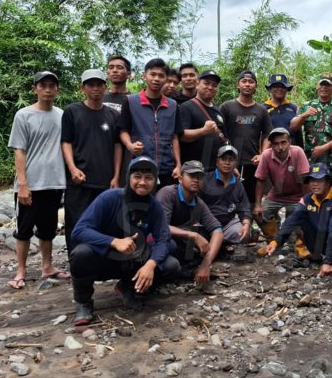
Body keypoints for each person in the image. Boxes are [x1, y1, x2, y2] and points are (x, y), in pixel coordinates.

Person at [69, 157, 177, 325]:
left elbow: (163, 238)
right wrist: (113, 241)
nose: (142, 182)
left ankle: (128, 286)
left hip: (133, 261)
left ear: (155, 181)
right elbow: (79, 231)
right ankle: (83, 303)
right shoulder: (109, 198)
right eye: (137, 176)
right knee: (81, 253)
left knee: (171, 264)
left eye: (148, 178)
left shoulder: (154, 206)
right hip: (103, 260)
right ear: (128, 178)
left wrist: (151, 264)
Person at [6, 71, 69, 290]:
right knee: (23, 229)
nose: (48, 89)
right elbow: (19, 151)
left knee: (48, 228)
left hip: (54, 182)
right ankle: (20, 271)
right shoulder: (23, 115)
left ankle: (47, 266)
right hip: (30, 183)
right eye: (43, 85)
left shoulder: (62, 115)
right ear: (35, 89)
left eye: (52, 85)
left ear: (57, 90)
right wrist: (23, 184)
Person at [61, 69, 122, 255]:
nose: (95, 88)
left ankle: (101, 262)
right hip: (79, 180)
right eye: (90, 85)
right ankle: (76, 262)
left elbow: (117, 146)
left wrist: (116, 176)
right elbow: (66, 142)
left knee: (105, 222)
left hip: (105, 180)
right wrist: (72, 168)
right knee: (76, 222)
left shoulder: (113, 115)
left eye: (99, 85)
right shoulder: (72, 111)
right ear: (83, 88)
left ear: (105, 87)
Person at [265, 163, 332, 277]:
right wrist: (275, 242)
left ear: (328, 181)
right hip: (319, 239)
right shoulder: (306, 199)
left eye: (319, 180)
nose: (315, 184)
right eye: (312, 180)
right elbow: (292, 220)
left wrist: (328, 262)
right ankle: (317, 255)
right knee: (300, 222)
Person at [155, 161, 224, 286]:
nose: (196, 180)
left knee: (208, 241)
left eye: (199, 177)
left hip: (181, 245)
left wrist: (206, 263)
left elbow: (217, 230)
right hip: (157, 244)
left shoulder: (199, 203)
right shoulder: (168, 193)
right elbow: (161, 227)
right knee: (172, 243)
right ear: (180, 179)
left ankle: (187, 269)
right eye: (192, 176)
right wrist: (193, 236)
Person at [119, 58, 183, 188]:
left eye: (161, 75)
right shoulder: (131, 101)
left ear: (165, 79)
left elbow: (175, 137)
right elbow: (123, 130)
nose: (156, 79)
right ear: (144, 76)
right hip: (139, 166)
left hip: (166, 168)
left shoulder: (173, 105)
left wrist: (178, 164)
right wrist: (130, 145)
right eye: (152, 74)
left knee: (163, 205)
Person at [254, 127, 311, 257]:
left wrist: (306, 202)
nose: (280, 147)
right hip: (276, 194)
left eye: (283, 142)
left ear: (289, 142)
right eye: (276, 144)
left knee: (301, 215)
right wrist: (257, 204)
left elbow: (305, 180)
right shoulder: (267, 155)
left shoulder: (298, 152)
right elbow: (260, 180)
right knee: (260, 214)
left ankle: (300, 244)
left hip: (297, 195)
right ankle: (273, 241)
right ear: (271, 145)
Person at [221, 70, 273, 207]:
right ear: (237, 85)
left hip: (252, 162)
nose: (247, 84)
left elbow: (268, 134)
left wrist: (262, 154)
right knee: (226, 199)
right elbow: (220, 134)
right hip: (229, 161)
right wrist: (227, 157)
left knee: (249, 200)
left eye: (251, 82)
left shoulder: (261, 110)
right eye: (244, 81)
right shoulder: (227, 107)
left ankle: (247, 226)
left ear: (256, 86)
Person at [289, 72, 332, 182]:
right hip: (310, 160)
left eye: (328, 85)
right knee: (311, 191)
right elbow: (293, 128)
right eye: (322, 84)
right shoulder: (306, 106)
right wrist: (303, 115)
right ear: (317, 85)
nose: (324, 87)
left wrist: (324, 148)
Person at [200, 145, 252, 245]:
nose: (227, 163)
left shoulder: (238, 185)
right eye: (223, 159)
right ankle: (219, 245)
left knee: (243, 234)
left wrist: (246, 224)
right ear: (217, 162)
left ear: (235, 163)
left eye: (231, 160)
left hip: (227, 224)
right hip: (206, 224)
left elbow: (245, 208)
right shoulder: (205, 180)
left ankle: (220, 244)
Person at [179, 70, 227, 171]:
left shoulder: (218, 110)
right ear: (197, 84)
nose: (210, 87)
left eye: (214, 85)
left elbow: (224, 138)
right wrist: (203, 131)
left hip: (217, 169)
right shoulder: (186, 107)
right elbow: (181, 135)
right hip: (194, 169)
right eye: (206, 83)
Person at [102, 55, 133, 186]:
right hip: (100, 154)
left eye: (119, 68)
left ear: (129, 74)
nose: (115, 70)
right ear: (107, 73)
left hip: (125, 156)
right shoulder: (98, 98)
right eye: (111, 67)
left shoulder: (133, 100)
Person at [264, 73, 304, 148]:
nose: (279, 89)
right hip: (270, 151)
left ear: (286, 89)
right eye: (276, 86)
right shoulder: (263, 108)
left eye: (282, 86)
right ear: (270, 89)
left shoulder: (294, 108)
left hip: (291, 150)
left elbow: (299, 133)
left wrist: (301, 151)